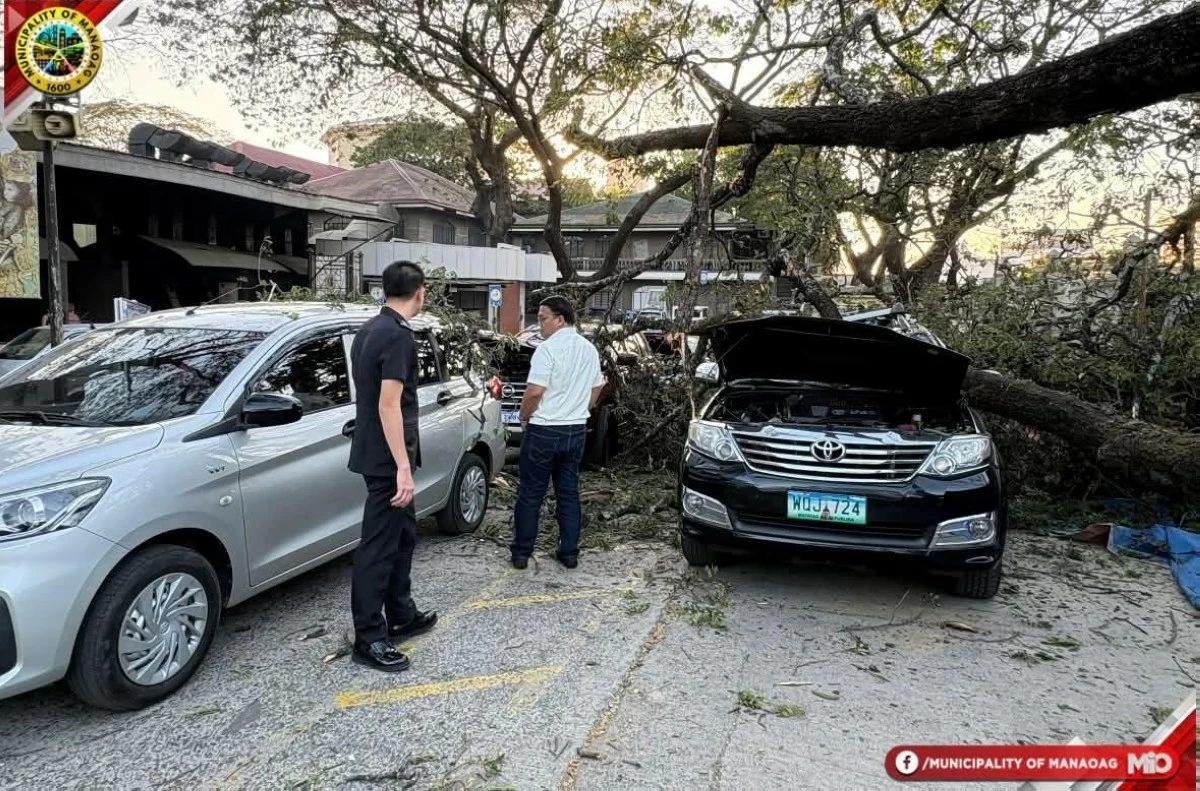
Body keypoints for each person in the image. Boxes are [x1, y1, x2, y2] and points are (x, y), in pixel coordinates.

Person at [347, 260, 437, 672]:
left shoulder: (368, 330)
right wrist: (402, 467)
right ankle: (369, 637)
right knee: (378, 549)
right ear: (420, 291)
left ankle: (402, 613)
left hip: (381, 454)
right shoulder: (398, 337)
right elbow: (387, 405)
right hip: (387, 462)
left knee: (403, 539)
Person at [510, 296, 604, 570]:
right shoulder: (589, 349)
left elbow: (535, 391)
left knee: (530, 494)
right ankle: (569, 552)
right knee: (568, 493)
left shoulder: (547, 350)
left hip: (544, 431)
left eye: (543, 319)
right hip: (575, 431)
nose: (539, 325)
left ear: (560, 319)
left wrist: (523, 416)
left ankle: (521, 553)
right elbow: (597, 387)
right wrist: (581, 407)